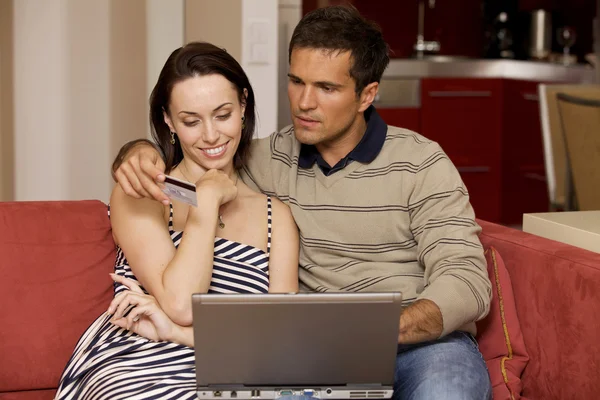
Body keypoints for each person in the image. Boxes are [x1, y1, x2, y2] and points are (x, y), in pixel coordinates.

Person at [113, 5, 494, 400]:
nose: (304, 103)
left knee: (447, 391)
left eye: (326, 88)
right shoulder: (264, 160)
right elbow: (201, 157)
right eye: (296, 81)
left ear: (367, 94)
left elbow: (467, 283)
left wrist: (379, 328)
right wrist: (139, 151)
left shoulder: (421, 162)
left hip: (424, 348)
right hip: (320, 357)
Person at [55, 42, 300, 400]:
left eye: (223, 114)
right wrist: (207, 201)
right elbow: (183, 302)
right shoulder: (141, 193)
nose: (211, 135)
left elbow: (283, 344)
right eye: (191, 121)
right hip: (136, 365)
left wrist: (175, 331)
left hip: (235, 371)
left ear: (243, 105)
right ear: (168, 119)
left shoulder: (274, 217)